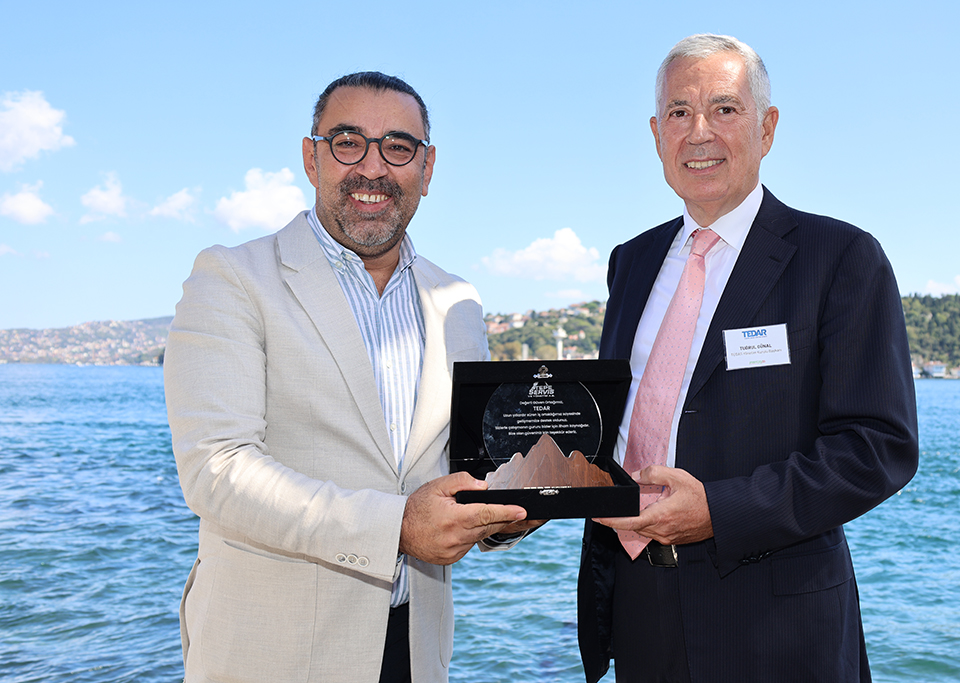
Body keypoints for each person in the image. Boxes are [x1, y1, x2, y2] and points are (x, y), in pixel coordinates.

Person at [164, 72, 531, 683]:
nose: (373, 167)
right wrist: (397, 528)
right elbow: (216, 469)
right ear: (312, 159)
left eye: (398, 147)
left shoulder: (458, 301)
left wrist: (516, 506)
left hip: (415, 652)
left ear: (427, 169)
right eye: (348, 142)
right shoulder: (232, 278)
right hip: (271, 657)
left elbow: (460, 469)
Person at [576, 35, 918, 682]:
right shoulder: (632, 261)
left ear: (767, 128)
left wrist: (718, 510)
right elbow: (616, 422)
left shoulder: (840, 257)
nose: (699, 132)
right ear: (656, 134)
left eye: (724, 109)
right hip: (640, 611)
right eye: (679, 112)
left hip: (778, 627)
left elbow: (877, 447)